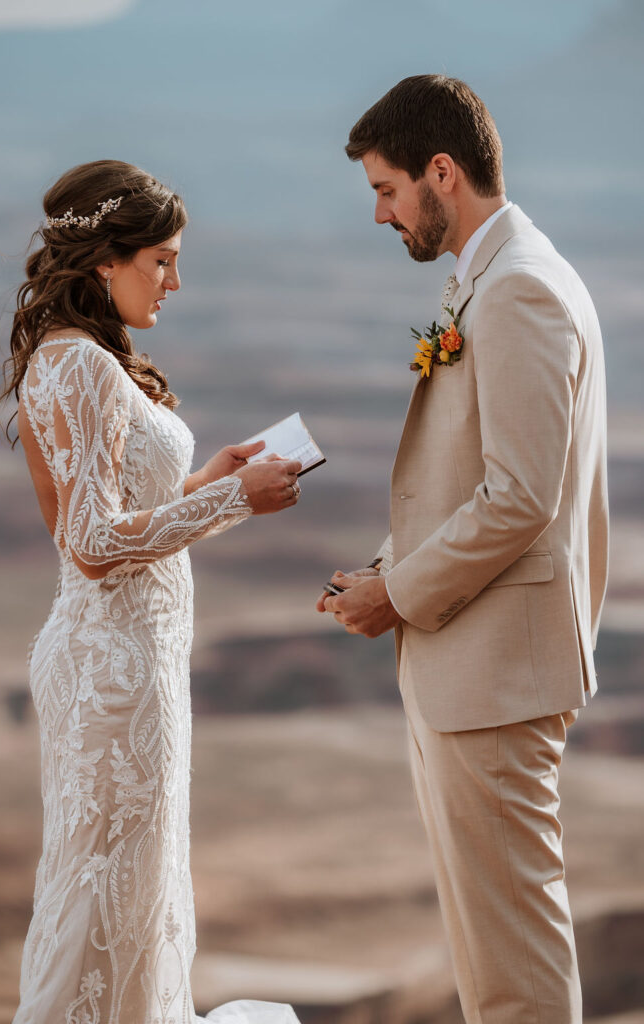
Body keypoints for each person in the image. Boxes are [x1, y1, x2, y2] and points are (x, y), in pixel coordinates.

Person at [318, 75, 608, 1022]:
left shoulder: (518, 288)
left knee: (512, 968)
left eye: (386, 188)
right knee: (493, 956)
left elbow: (521, 496)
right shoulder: (497, 275)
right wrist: (383, 565)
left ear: (442, 171)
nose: (378, 212)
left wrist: (396, 594)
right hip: (478, 671)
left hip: (495, 680)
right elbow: (471, 478)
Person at [0, 160, 301, 1024]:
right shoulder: (84, 368)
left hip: (113, 658)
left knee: (110, 888)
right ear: (105, 260)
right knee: (104, 895)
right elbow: (91, 544)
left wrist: (208, 479)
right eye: (160, 259)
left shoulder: (60, 360)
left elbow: (94, 522)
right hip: (118, 670)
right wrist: (235, 497)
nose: (175, 279)